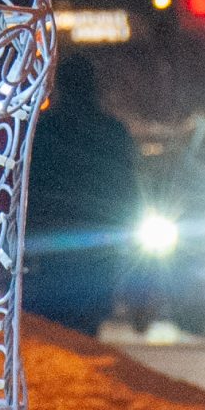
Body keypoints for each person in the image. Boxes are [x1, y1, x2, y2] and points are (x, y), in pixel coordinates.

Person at [22, 58, 144, 335]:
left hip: (51, 243)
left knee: (53, 325)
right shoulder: (112, 131)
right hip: (96, 243)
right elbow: (126, 189)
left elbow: (31, 187)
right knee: (87, 321)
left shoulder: (44, 129)